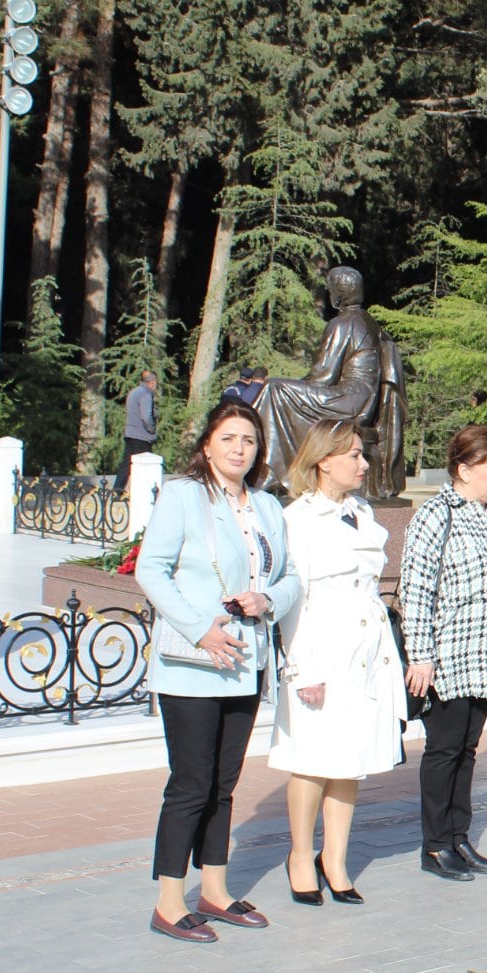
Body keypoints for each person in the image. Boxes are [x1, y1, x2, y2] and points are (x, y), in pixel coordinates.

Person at [136, 399, 300, 943]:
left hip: (245, 664)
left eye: (249, 441)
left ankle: (216, 889)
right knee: (190, 783)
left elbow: (291, 577)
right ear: (207, 444)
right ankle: (167, 900)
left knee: (224, 785)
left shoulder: (267, 506)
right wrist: (199, 628)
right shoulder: (185, 496)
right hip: (193, 664)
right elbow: (152, 571)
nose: (239, 448)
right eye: (228, 438)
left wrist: (265, 599)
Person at [269, 419, 404, 907]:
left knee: (351, 760)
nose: (363, 463)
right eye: (353, 455)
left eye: (362, 454)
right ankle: (301, 856)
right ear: (323, 460)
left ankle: (336, 858)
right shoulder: (297, 519)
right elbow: (294, 600)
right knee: (311, 761)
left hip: (365, 654)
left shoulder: (362, 513)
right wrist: (304, 668)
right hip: (320, 653)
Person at [400, 425, 487, 882]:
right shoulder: (438, 515)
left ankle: (458, 836)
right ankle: (434, 845)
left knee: (468, 750)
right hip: (449, 655)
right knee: (444, 750)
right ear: (463, 469)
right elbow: (415, 589)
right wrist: (420, 655)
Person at [254, 267, 390, 491]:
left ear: (338, 295)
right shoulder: (367, 321)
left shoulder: (343, 323)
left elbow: (323, 376)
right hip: (363, 398)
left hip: (348, 398)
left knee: (274, 389)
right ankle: (275, 471)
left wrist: (297, 387)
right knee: (280, 391)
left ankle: (270, 472)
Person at [115, 370, 159, 492]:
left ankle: (117, 489)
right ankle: (144, 492)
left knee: (126, 464)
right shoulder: (145, 395)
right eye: (155, 383)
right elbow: (146, 416)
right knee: (145, 465)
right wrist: (152, 430)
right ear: (151, 382)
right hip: (142, 436)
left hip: (130, 433)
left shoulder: (133, 392)